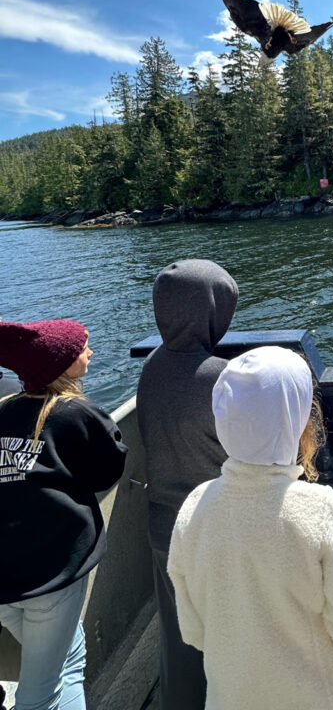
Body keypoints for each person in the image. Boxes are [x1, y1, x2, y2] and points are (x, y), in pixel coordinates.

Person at [167, 346, 333, 710]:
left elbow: (193, 627)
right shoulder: (319, 509)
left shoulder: (195, 507)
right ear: (295, 420)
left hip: (229, 697)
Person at [0, 320, 127, 710]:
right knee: (40, 693)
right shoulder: (76, 413)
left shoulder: (5, 409)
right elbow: (108, 469)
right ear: (64, 364)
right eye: (82, 348)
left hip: (7, 578)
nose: (90, 352)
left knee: (69, 659)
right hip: (50, 577)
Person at [136, 259, 238, 710]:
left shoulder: (153, 367)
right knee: (228, 638)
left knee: (179, 640)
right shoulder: (221, 377)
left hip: (163, 526)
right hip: (215, 529)